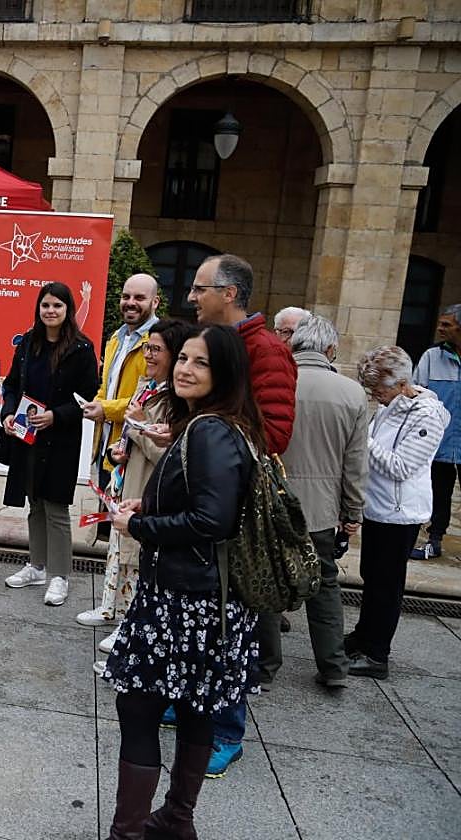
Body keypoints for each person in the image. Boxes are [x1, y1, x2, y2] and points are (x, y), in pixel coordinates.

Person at [103, 324, 263, 840]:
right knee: (197, 709)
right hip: (206, 600)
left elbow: (212, 520)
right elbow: (205, 503)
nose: (184, 369)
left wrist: (139, 526)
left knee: (140, 707)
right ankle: (176, 820)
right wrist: (147, 504)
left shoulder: (211, 430)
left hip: (185, 602)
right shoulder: (219, 425)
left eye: (200, 362)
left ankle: (132, 831)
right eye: (183, 359)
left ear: (226, 373)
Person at [187, 253, 296, 774]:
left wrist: (214, 440)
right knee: (201, 618)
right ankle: (189, 706)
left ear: (228, 294)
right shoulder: (219, 344)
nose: (192, 297)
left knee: (231, 623)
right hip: (210, 499)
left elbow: (274, 434)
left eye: (200, 288)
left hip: (237, 513)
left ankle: (227, 731)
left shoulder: (268, 351)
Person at [86, 319, 194, 674]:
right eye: (147, 347)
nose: (148, 355)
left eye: (156, 349)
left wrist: (140, 428)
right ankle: (116, 616)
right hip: (128, 484)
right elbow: (134, 435)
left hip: (149, 494)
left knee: (138, 563)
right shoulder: (146, 388)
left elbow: (168, 457)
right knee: (122, 555)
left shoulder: (176, 403)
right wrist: (121, 447)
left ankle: (130, 636)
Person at [274, 314, 368, 690]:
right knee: (324, 585)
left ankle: (265, 667)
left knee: (269, 580)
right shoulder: (351, 393)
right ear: (330, 350)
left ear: (295, 345)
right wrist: (352, 511)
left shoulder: (275, 385)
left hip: (275, 500)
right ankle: (333, 667)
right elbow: (355, 464)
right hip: (321, 509)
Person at [348, 345, 449, 679]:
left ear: (402, 382)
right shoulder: (392, 404)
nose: (376, 396)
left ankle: (377, 655)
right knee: (372, 577)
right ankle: (364, 636)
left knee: (386, 585)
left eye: (380, 390)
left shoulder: (426, 414)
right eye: (371, 391)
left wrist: (362, 436)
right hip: (378, 508)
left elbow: (401, 466)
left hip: (400, 512)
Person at [1, 282, 99, 605]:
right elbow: (11, 384)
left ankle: (60, 575)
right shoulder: (29, 342)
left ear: (68, 309)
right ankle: (37, 566)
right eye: (45, 305)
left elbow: (89, 398)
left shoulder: (82, 350)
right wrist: (7, 413)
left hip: (60, 440)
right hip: (28, 438)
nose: (51, 311)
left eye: (57, 305)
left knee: (56, 506)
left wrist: (57, 416)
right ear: (38, 309)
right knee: (35, 503)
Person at [82, 273, 161, 501]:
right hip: (108, 445)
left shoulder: (157, 344)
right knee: (107, 514)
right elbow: (107, 386)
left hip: (134, 449)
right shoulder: (117, 337)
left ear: (155, 302)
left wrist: (105, 409)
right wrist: (97, 403)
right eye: (126, 296)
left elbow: (150, 400)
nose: (130, 302)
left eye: (139, 297)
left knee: (125, 521)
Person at [410, 304, 461, 561]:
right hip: (439, 442)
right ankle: (434, 540)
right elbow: (416, 393)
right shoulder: (431, 357)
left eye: (446, 325)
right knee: (438, 494)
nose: (440, 329)